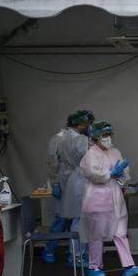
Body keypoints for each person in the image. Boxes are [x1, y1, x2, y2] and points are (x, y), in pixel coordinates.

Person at [80, 121, 138, 276]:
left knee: (120, 233)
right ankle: (94, 266)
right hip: (97, 199)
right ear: (96, 137)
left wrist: (121, 173)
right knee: (96, 235)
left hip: (116, 198)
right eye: (104, 135)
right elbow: (93, 174)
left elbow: (124, 173)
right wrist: (110, 173)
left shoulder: (115, 152)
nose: (107, 138)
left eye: (109, 134)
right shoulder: (90, 154)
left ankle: (129, 265)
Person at [59, 110, 94, 267]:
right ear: (81, 124)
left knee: (76, 219)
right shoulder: (80, 139)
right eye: (88, 124)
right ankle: (78, 256)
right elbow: (87, 158)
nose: (89, 127)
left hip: (74, 178)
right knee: (80, 220)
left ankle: (77, 255)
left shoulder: (62, 137)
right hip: (81, 179)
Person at [40, 114, 73, 263]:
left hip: (77, 185)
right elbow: (52, 164)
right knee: (61, 220)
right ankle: (49, 249)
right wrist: (54, 183)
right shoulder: (58, 139)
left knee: (75, 221)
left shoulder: (82, 140)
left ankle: (73, 251)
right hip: (63, 183)